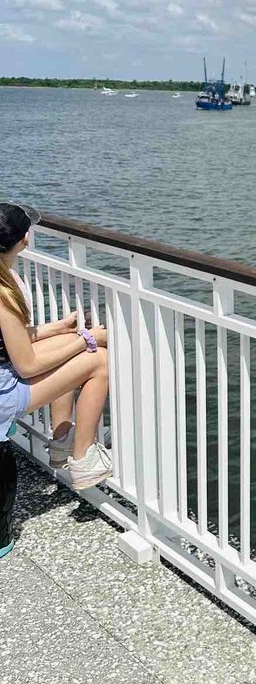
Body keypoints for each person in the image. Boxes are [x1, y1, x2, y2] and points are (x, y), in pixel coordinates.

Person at [0, 202, 113, 495]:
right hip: (3, 395)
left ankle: (61, 444)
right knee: (101, 360)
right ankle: (83, 459)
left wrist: (60, 329)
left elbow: (9, 338)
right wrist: (87, 340)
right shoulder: (2, 294)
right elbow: (27, 366)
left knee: (67, 346)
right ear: (24, 239)